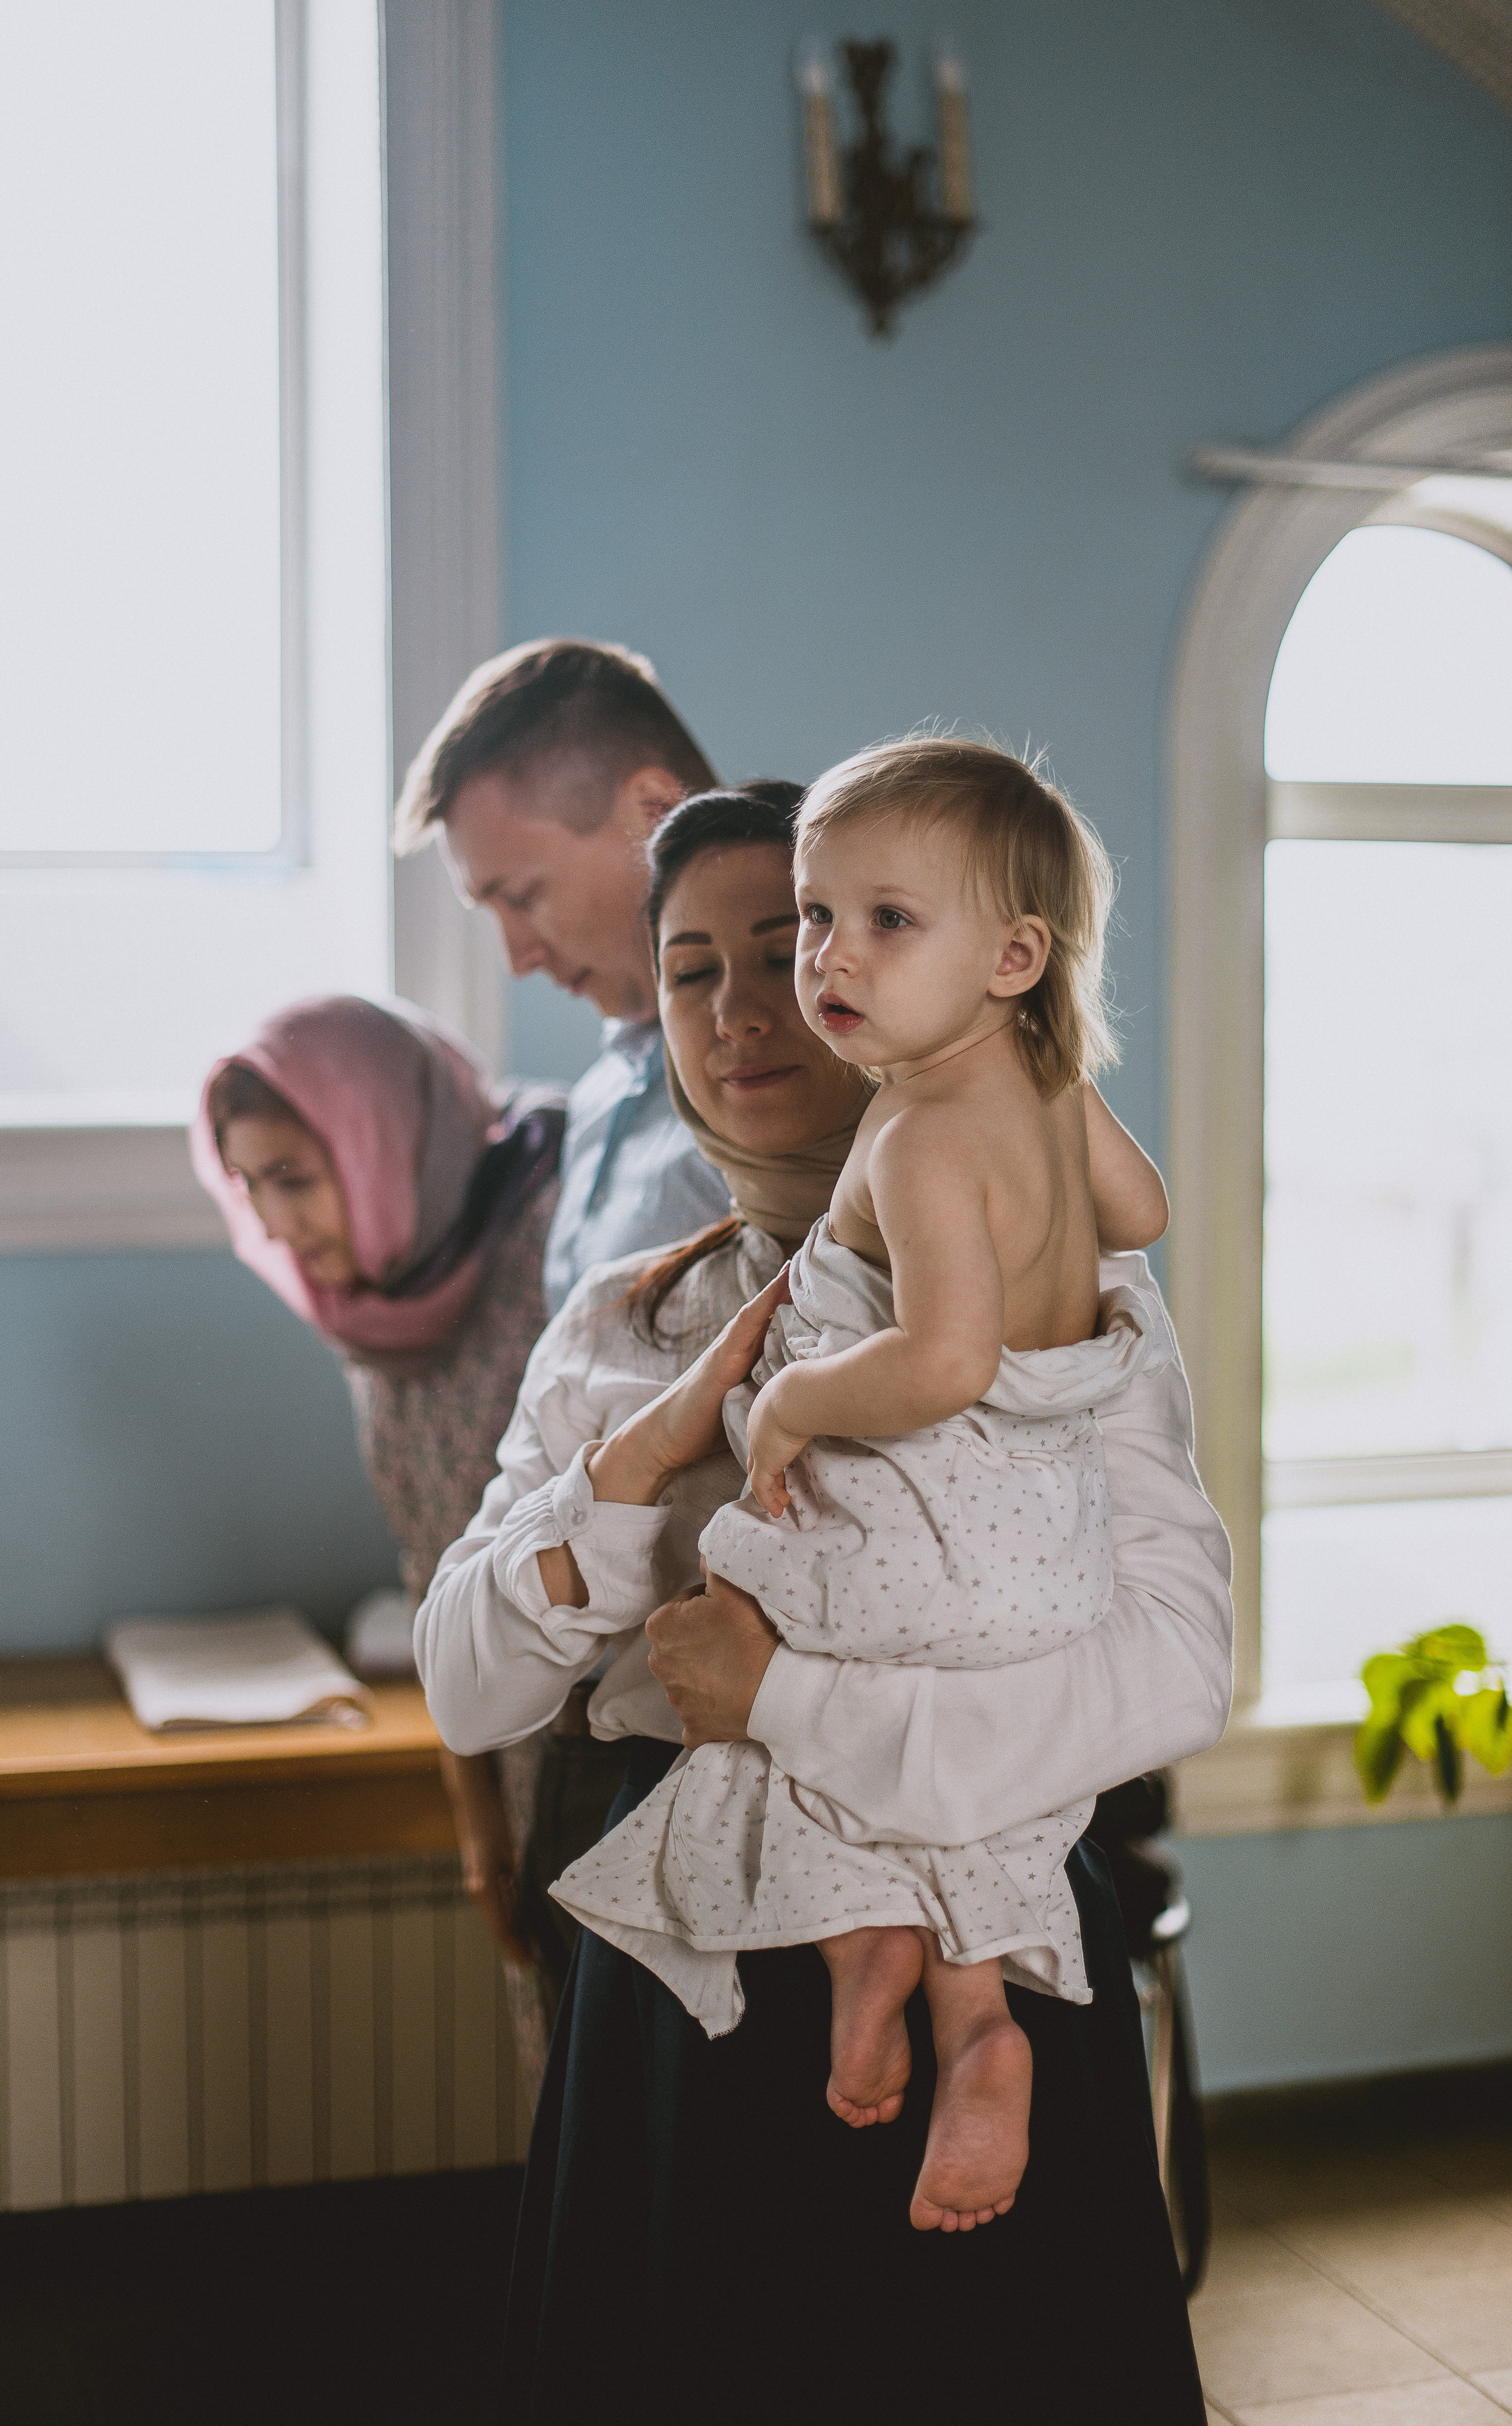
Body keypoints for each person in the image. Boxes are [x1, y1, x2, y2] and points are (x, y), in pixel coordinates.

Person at [418, 790, 1230, 2423]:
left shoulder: (1067, 1284)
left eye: (784, 946)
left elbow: (1170, 1670)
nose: (742, 1007)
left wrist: (787, 1701)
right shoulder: (616, 1325)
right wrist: (637, 1472)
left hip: (985, 1963)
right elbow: (462, 1685)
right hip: (690, 1986)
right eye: (687, 970)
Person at [552, 738, 1175, 2237]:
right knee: (916, 1731)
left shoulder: (913, 1131)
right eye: (821, 917)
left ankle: (872, 1960)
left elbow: (943, 1357)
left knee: (750, 1622)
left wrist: (791, 1405)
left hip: (941, 1528)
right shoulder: (1041, 1084)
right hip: (1046, 1548)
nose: (829, 958)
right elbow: (1137, 1211)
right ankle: (970, 2009)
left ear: (1012, 955)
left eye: (881, 922)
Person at [189, 995, 566, 2088]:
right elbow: (428, 1564)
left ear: (378, 1141)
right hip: (504, 1744)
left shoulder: (553, 1248)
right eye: (251, 1186)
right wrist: (477, 1814)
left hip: (611, 1732)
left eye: (293, 1178)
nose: (275, 1225)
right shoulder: (373, 1305)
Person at [393, 637, 734, 1311]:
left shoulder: (803, 1076)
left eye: (523, 897)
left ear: (655, 813)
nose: (518, 959)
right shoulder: (600, 1095)